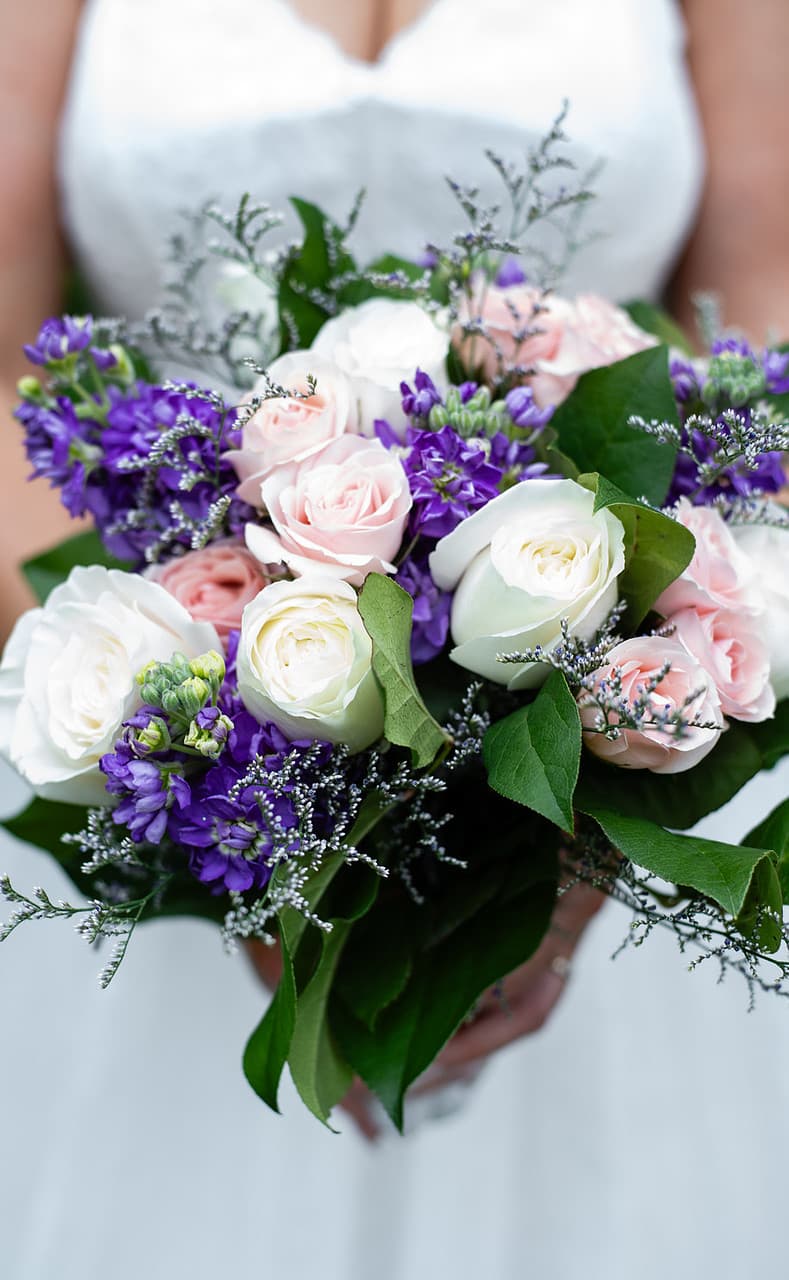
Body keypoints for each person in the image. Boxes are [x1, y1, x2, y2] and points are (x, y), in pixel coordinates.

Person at [1, 1, 788, 1275]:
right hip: (187, 719)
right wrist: (195, 762)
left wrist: (582, 818)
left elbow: (764, 315)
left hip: (598, 739)